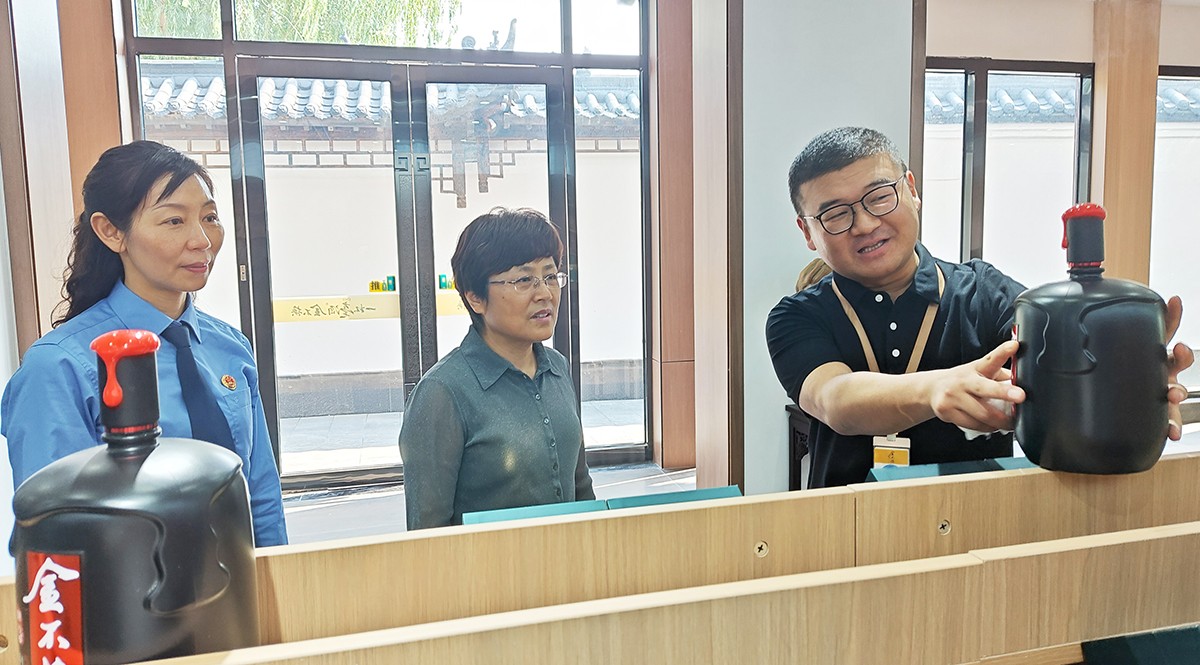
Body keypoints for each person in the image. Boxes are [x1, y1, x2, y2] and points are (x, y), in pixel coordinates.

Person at [766, 127, 1194, 488]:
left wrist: (1128, 380)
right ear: (808, 233)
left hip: (983, 519)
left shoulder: (987, 293)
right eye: (835, 215)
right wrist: (935, 390)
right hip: (847, 526)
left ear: (911, 190)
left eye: (879, 197)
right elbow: (834, 399)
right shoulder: (797, 316)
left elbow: (1055, 362)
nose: (864, 224)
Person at [1, 141, 287, 546]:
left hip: (235, 578)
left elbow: (261, 498)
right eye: (174, 221)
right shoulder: (60, 368)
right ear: (111, 231)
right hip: (132, 584)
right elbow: (57, 536)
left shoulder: (230, 349)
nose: (202, 240)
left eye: (209, 217)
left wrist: (275, 577)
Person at [400, 207, 595, 529]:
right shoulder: (441, 393)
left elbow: (581, 487)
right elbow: (428, 532)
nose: (544, 293)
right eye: (524, 280)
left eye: (550, 276)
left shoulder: (557, 367)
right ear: (475, 298)